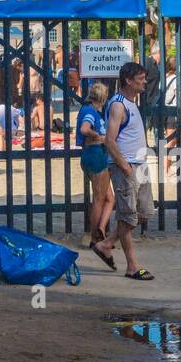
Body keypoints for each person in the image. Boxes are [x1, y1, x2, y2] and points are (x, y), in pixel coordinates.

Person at [95, 61, 155, 280]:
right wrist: (124, 166)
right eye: (140, 78)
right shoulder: (118, 104)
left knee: (145, 212)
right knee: (127, 215)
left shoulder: (131, 102)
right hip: (127, 166)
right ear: (128, 81)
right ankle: (132, 266)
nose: (144, 82)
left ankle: (107, 243)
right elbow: (110, 140)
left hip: (139, 165)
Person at [77, 82, 116, 266]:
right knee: (100, 198)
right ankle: (94, 238)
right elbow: (84, 129)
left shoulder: (93, 111)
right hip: (94, 154)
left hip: (95, 154)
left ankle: (100, 229)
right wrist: (98, 137)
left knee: (109, 198)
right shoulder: (90, 111)